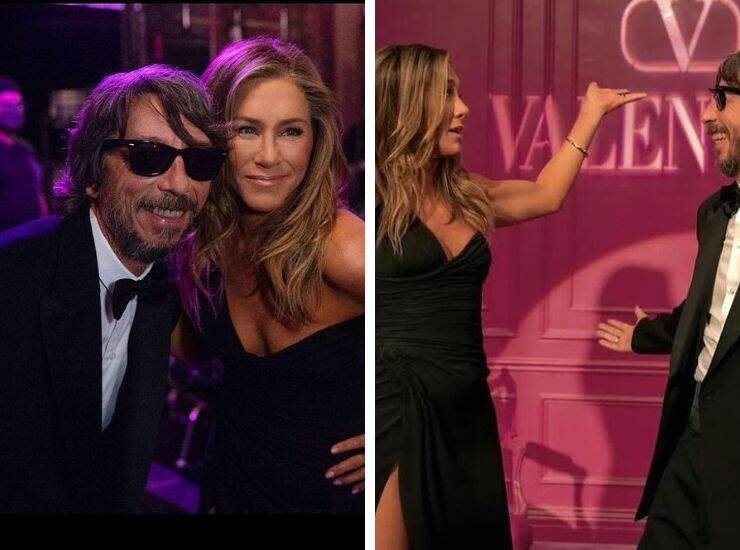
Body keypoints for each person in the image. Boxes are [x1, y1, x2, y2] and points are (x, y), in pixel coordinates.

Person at [375, 43, 644, 549]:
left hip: (467, 409)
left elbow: (546, 193)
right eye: (446, 93)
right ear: (407, 102)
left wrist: (590, 115)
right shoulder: (366, 203)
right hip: (396, 409)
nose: (463, 108)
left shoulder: (465, 194)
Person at [0, 65, 227, 512]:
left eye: (199, 163)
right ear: (91, 173)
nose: (178, 185)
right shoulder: (13, 279)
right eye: (149, 156)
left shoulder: (164, 290)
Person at [173, 37, 365, 513]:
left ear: (316, 140)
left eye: (290, 132)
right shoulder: (204, 246)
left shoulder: (340, 247)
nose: (268, 156)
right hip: (230, 489)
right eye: (246, 129)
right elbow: (184, 349)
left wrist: (406, 429)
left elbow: (443, 339)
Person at [597, 50, 740, 548]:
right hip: (694, 440)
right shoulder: (714, 214)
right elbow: (710, 316)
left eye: (720, 99)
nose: (705, 115)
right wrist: (645, 334)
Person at [0, 76, 47, 231]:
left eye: (18, 104)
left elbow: (38, 191)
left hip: (32, 236)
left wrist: (45, 227)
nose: (15, 110)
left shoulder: (26, 149)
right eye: (8, 105)